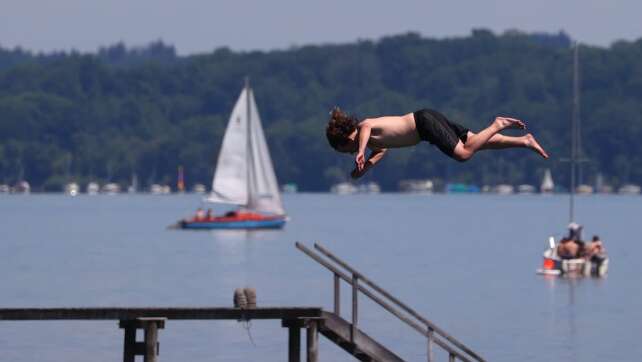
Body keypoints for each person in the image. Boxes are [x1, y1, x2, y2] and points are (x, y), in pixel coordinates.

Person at [326, 107, 548, 178]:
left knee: (463, 154)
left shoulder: (365, 127)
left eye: (345, 150)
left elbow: (365, 130)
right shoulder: (373, 140)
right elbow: (382, 150)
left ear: (347, 140)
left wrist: (361, 151)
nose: (348, 154)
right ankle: (525, 141)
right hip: (426, 123)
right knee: (477, 142)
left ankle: (497, 124)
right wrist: (366, 167)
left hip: (424, 123)